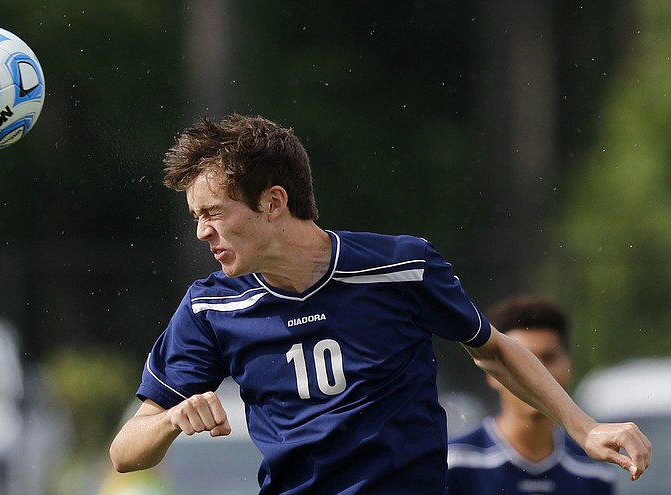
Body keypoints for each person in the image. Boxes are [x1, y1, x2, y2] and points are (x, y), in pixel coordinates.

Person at [109, 114, 651, 494]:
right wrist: (172, 420)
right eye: (195, 218)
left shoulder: (400, 268)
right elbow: (124, 452)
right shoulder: (210, 309)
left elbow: (492, 349)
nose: (201, 233)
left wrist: (583, 428)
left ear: (275, 202)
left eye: (214, 213)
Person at [446, 295, 617, 494]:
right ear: (492, 373)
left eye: (548, 358)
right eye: (521, 362)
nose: (536, 374)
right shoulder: (453, 464)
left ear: (569, 367)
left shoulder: (593, 472)